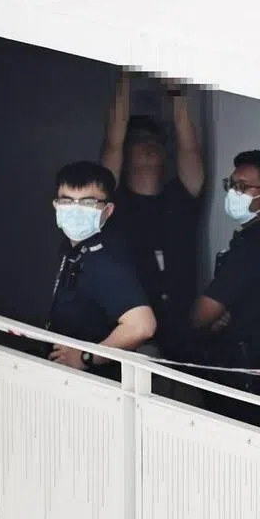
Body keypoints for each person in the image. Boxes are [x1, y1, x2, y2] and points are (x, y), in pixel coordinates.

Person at [189, 150, 260, 435]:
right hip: (247, 382)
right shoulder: (256, 239)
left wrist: (207, 318)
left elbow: (202, 314)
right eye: (231, 184)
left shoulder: (257, 247)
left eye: (242, 187)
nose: (233, 192)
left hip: (252, 389)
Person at [101, 72, 204, 361]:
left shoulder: (181, 196)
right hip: (131, 335)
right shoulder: (114, 202)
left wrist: (175, 92)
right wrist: (123, 76)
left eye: (155, 141)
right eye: (140, 140)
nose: (150, 146)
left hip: (183, 336)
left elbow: (189, 147)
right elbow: (112, 143)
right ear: (127, 153)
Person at [46, 160, 156, 378]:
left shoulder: (105, 258)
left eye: (87, 203)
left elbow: (141, 325)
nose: (75, 211)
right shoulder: (71, 249)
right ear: (56, 205)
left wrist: (85, 357)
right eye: (67, 201)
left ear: (107, 210)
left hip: (97, 383)